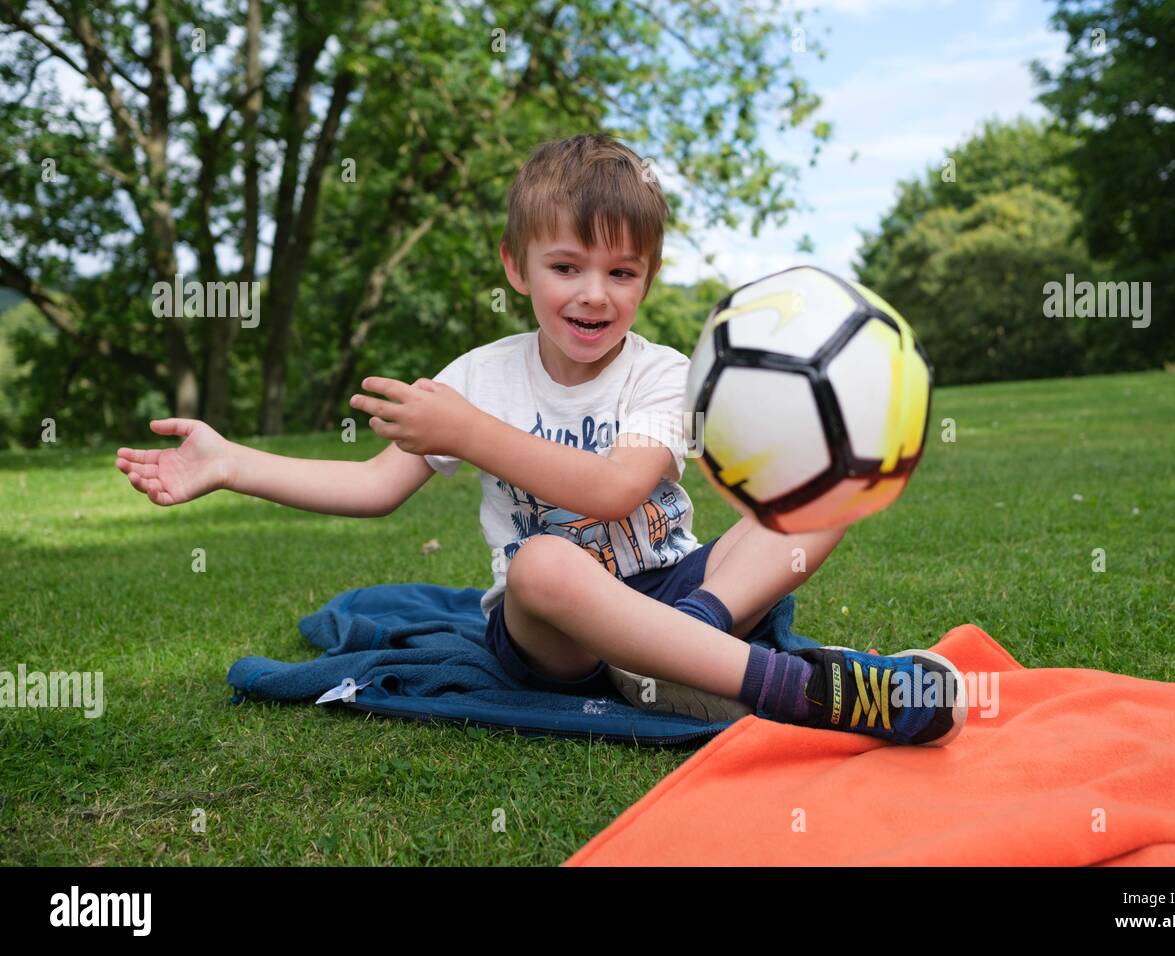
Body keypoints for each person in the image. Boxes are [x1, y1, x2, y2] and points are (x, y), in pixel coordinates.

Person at [115, 133, 966, 746]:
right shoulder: (478, 377)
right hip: (553, 634)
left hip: (678, 589)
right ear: (517, 267)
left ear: (647, 277)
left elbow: (615, 491)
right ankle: (794, 690)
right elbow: (372, 488)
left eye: (621, 273)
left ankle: (678, 659)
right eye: (566, 267)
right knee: (541, 563)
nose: (594, 294)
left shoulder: (665, 373)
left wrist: (471, 436)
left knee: (816, 500)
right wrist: (230, 463)